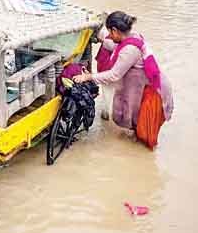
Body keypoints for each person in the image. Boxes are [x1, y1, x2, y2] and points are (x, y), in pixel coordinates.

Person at [74, 12, 174, 149]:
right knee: (136, 123)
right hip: (145, 85)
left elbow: (114, 75)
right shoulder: (133, 37)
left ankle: (141, 157)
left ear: (115, 30)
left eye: (110, 32)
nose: (109, 36)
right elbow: (114, 46)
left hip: (154, 90)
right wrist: (99, 36)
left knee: (146, 132)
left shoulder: (129, 50)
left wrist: (89, 76)